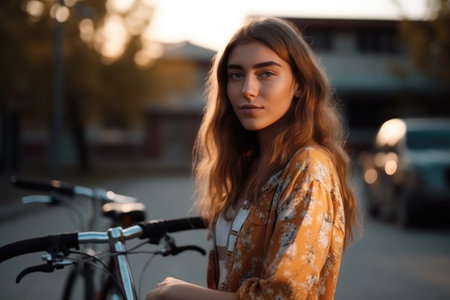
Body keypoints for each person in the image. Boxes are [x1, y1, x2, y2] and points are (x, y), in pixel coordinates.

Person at [146, 16, 359, 300]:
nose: (247, 89)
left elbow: (283, 295)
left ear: (298, 84)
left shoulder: (308, 167)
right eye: (236, 75)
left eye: (266, 73)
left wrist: (179, 293)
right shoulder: (247, 164)